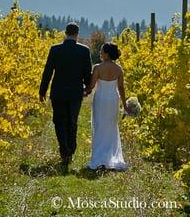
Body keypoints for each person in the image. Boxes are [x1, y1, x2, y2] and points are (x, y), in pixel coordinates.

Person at [39, 22, 92, 166]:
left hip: (58, 92)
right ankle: (71, 148)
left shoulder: (55, 50)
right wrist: (87, 88)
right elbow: (88, 73)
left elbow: (48, 72)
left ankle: (64, 149)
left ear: (65, 33)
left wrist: (42, 91)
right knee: (72, 121)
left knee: (59, 121)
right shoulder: (84, 51)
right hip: (76, 92)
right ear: (77, 34)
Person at [85, 42, 130, 170]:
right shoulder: (119, 69)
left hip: (100, 99)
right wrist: (124, 104)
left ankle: (99, 158)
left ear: (107, 54)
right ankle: (110, 156)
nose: (100, 53)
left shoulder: (98, 68)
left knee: (99, 126)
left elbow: (92, 86)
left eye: (101, 51)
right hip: (113, 100)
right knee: (111, 126)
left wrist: (84, 90)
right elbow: (121, 87)